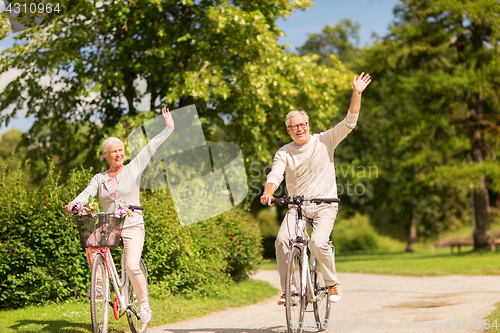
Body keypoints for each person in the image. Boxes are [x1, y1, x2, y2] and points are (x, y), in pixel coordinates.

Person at [260, 73, 371, 305]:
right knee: (281, 240)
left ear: (308, 125)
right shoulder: (284, 152)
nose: (299, 129)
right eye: (294, 126)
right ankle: (289, 291)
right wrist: (269, 191)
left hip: (325, 205)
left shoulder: (325, 140)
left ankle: (332, 283)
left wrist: (357, 93)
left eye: (303, 124)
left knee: (318, 242)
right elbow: (276, 174)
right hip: (297, 207)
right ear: (288, 130)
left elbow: (350, 122)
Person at [65, 108, 175, 324]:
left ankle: (144, 304)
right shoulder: (100, 178)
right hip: (109, 225)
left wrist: (168, 128)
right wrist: (74, 204)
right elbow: (87, 194)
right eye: (113, 151)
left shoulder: (133, 168)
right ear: (106, 155)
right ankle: (100, 286)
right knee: (91, 243)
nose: (118, 154)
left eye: (121, 150)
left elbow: (150, 146)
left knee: (132, 265)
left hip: (133, 224)